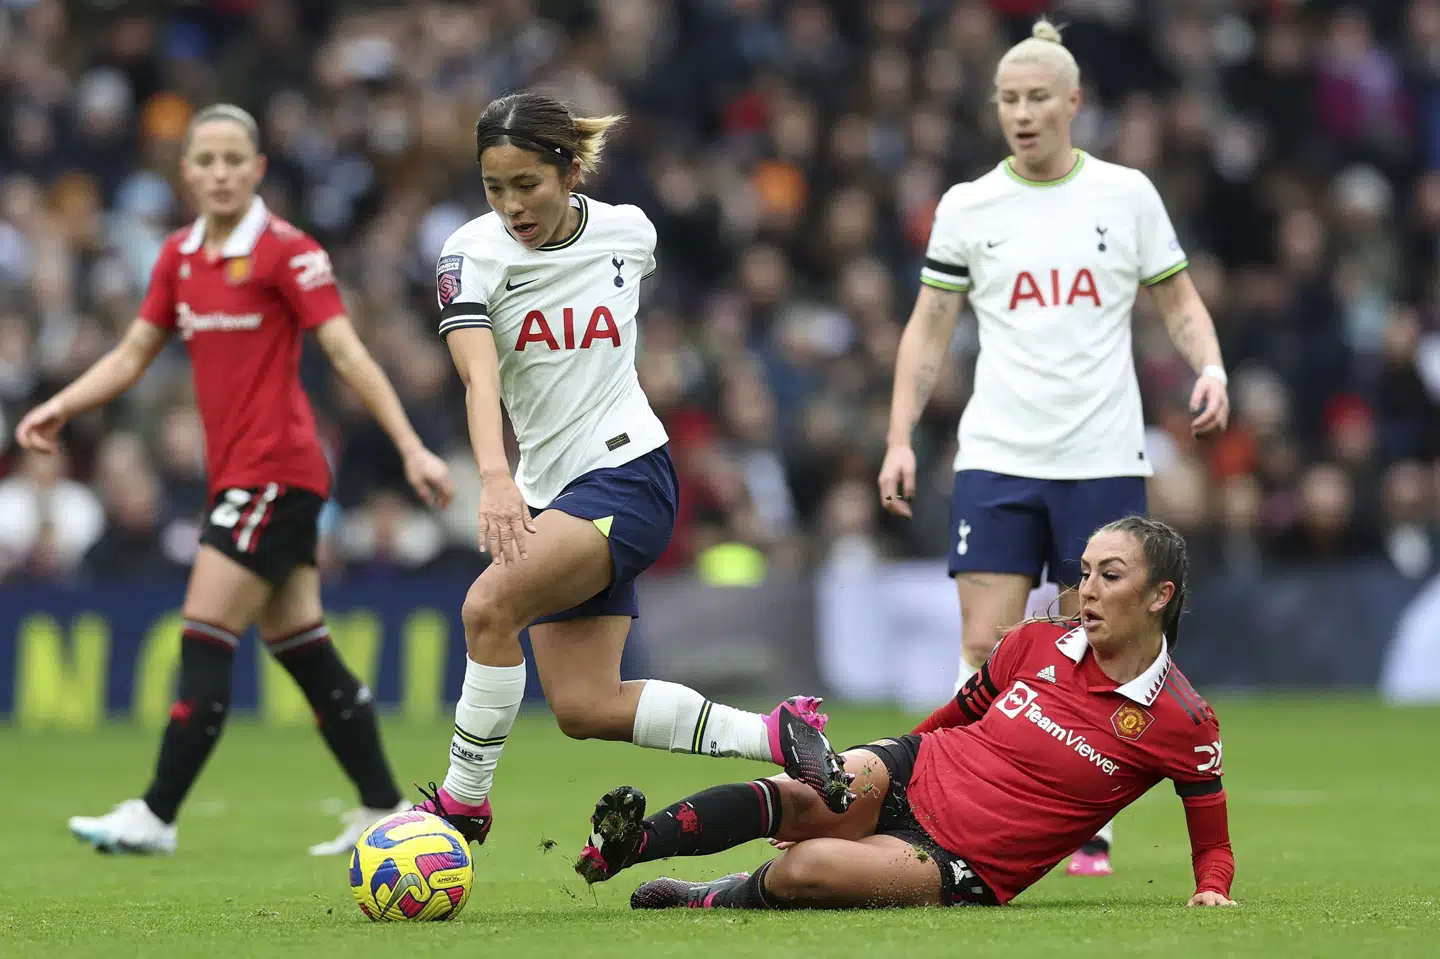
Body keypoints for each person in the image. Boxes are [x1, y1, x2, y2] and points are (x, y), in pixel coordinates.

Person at [411, 92, 852, 848]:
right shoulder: (469, 257)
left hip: (629, 475)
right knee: (587, 706)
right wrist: (496, 476)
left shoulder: (628, 231)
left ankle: (461, 805)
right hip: (552, 495)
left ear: (571, 171)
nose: (512, 204)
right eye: (495, 187)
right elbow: (479, 378)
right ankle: (782, 736)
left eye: (528, 185)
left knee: (488, 608)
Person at [19, 104, 456, 857]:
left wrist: (412, 446)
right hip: (238, 478)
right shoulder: (178, 257)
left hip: (279, 472)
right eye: (206, 160)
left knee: (203, 630)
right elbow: (132, 354)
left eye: (233, 160)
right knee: (302, 644)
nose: (220, 173)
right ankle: (385, 805)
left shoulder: (288, 251)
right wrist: (61, 403)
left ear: (257, 170)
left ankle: (157, 812)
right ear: (186, 171)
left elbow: (348, 353)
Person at [876, 18, 1231, 876]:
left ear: (1074, 102)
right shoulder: (969, 206)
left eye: (1039, 97)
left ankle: (1086, 816)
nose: (1023, 113)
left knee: (1098, 633)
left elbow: (1177, 300)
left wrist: (1211, 364)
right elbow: (928, 330)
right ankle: (957, 797)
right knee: (988, 638)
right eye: (1008, 99)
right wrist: (898, 437)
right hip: (997, 450)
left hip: (1102, 452)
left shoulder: (1125, 195)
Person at [575, 517, 1236, 912]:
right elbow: (955, 713)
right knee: (806, 791)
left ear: (1160, 595)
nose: (1088, 590)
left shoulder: (1183, 720)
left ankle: (710, 895)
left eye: (1110, 576)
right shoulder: (1035, 640)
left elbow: (1213, 842)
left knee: (811, 866)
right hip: (917, 769)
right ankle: (627, 847)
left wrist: (1212, 887)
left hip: (959, 859)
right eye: (1085, 571)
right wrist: (885, 766)